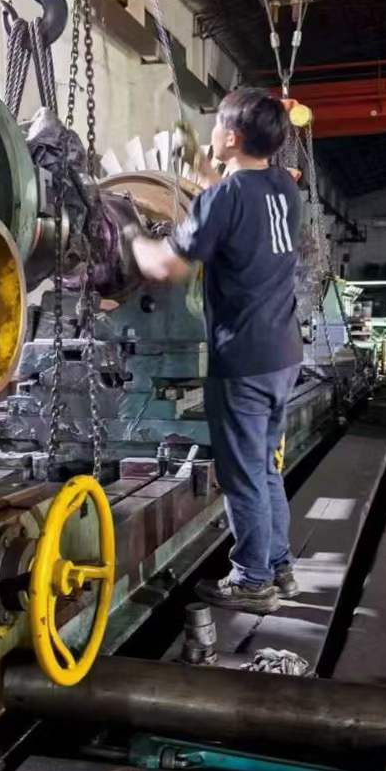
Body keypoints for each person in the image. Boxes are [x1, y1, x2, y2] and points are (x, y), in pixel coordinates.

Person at [131, 88, 303, 614]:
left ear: (231, 137)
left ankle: (252, 581)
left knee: (243, 475)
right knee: (264, 467)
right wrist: (201, 166)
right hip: (282, 352)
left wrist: (130, 235)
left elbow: (165, 267)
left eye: (217, 127)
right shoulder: (283, 187)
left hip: (242, 359)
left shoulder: (224, 199)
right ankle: (278, 567)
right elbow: (231, 200)